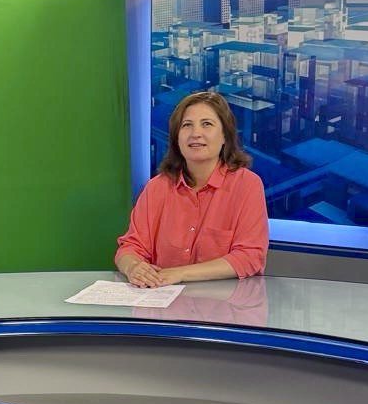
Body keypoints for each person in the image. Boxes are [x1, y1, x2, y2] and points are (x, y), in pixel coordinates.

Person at [115, 89, 268, 286]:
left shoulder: (247, 185)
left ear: (225, 136)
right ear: (177, 138)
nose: (196, 134)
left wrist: (180, 274)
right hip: (163, 299)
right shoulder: (156, 188)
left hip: (225, 302)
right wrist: (134, 267)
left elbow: (250, 256)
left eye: (207, 124)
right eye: (187, 125)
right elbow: (130, 248)